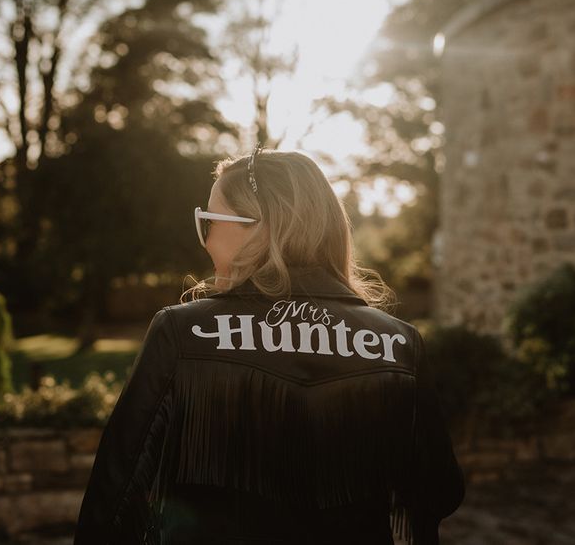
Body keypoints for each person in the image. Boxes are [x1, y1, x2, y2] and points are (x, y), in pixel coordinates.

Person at [73, 145, 465, 545]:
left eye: (209, 222)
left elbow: (115, 494)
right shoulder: (398, 344)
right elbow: (439, 491)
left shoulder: (183, 331)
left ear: (259, 227)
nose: (205, 242)